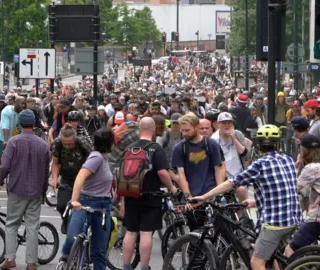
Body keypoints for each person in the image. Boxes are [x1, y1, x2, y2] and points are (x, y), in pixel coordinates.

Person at [191, 124, 302, 270]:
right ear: (278, 143)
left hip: (275, 223)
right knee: (272, 257)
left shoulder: (260, 164)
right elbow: (281, 191)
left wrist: (205, 197)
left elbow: (233, 182)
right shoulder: (287, 159)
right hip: (294, 218)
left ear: (259, 144)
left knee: (256, 262)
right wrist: (256, 202)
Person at [0, 109, 50, 270]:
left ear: (19, 124)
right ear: (33, 124)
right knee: (32, 226)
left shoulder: (13, 142)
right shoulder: (43, 145)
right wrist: (44, 190)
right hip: (36, 190)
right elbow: (46, 171)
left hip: (17, 188)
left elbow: (5, 166)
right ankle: (32, 262)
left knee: (12, 223)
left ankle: (10, 258)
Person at [122, 117, 178, 270]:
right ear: (153, 130)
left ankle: (126, 266)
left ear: (139, 129)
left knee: (131, 232)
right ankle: (144, 267)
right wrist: (172, 189)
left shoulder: (129, 148)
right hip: (151, 196)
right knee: (146, 233)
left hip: (131, 195)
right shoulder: (156, 148)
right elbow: (162, 173)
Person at [57, 128, 115, 270]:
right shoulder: (96, 158)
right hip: (87, 201)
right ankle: (65, 256)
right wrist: (75, 200)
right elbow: (81, 176)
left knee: (99, 251)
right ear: (109, 143)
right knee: (73, 237)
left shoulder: (104, 158)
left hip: (103, 206)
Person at [284, 134, 320, 256]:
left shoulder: (312, 168)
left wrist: (297, 166)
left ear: (304, 150)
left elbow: (295, 189)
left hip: (317, 218)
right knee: (317, 255)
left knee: (290, 250)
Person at [172, 112, 225, 230]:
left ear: (196, 127)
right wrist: (188, 197)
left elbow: (219, 169)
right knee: (196, 234)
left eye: (187, 130)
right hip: (193, 197)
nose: (184, 133)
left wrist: (219, 193)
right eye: (182, 130)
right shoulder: (180, 148)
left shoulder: (211, 144)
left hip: (210, 194)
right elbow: (181, 175)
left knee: (217, 231)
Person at [50, 124, 92, 215]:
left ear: (74, 139)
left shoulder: (83, 143)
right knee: (61, 205)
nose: (67, 146)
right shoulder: (57, 144)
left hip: (82, 178)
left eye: (70, 144)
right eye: (64, 144)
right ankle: (65, 222)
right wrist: (55, 179)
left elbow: (92, 162)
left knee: (80, 206)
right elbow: (56, 163)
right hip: (66, 177)